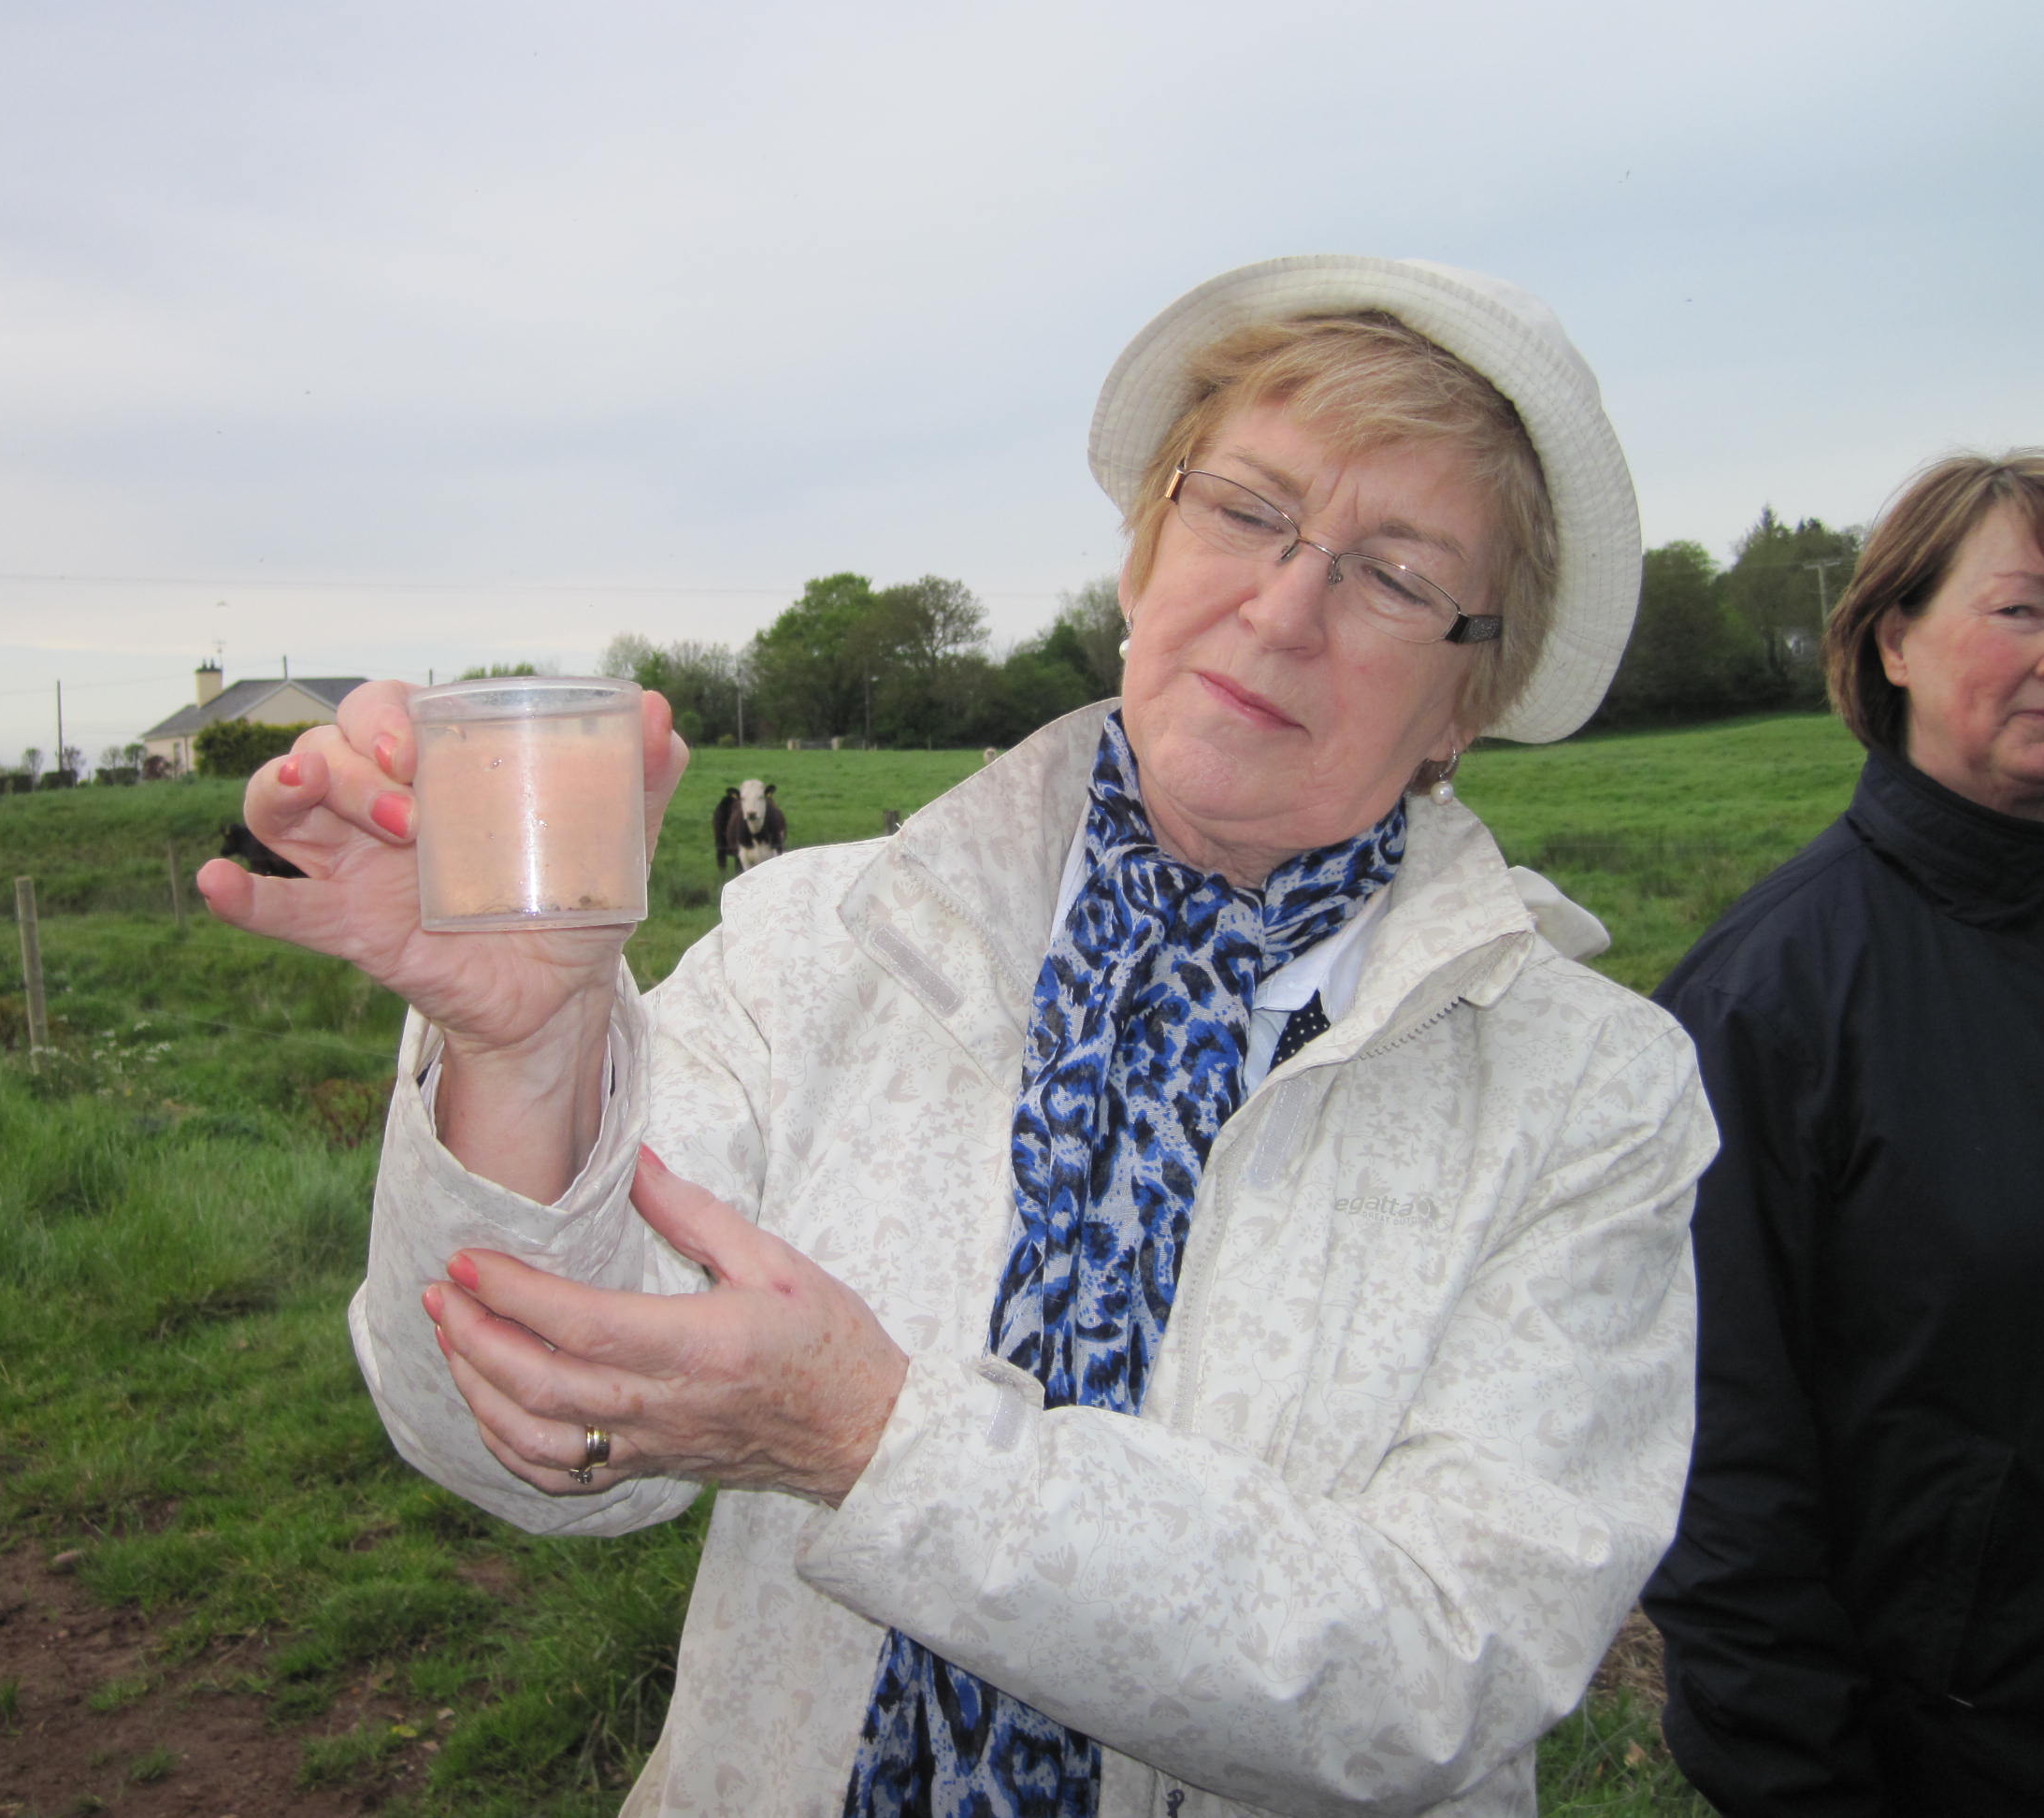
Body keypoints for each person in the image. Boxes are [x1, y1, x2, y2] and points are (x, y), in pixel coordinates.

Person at [208, 255, 1714, 1815]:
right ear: (1147, 547)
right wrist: (521, 1054)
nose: (1279, 609)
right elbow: (539, 1437)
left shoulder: (1587, 1091)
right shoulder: (825, 937)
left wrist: (877, 1439)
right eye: (1245, 510)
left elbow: (1435, 1680)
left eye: (1393, 574)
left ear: (1466, 699)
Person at [1642, 452, 2044, 1816]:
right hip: (1969, 1751)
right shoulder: (1763, 1002)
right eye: (2022, 611)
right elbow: (1717, 1479)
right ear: (1891, 636)